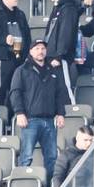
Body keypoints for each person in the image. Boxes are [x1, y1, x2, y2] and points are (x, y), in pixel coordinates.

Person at [10, 39, 69, 178]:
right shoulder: (22, 70)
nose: (40, 51)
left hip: (49, 121)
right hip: (30, 120)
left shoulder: (53, 70)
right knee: (26, 157)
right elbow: (15, 92)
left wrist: (61, 114)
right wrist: (19, 113)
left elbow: (61, 93)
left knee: (52, 159)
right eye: (36, 48)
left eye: (43, 48)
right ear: (30, 51)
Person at [44, 0, 82, 105]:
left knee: (66, 85)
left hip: (60, 56)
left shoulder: (68, 8)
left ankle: (73, 111)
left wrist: (59, 56)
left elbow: (66, 34)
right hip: (51, 55)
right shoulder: (58, 7)